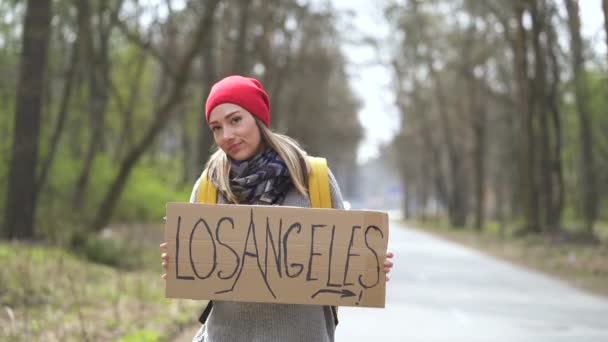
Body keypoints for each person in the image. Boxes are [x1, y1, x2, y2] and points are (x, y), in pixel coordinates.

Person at [160, 75, 394, 342]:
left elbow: (344, 260)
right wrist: (181, 262)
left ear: (258, 118)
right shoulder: (209, 185)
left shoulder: (313, 178)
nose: (226, 135)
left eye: (235, 120)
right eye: (216, 127)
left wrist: (368, 263)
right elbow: (198, 282)